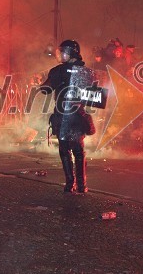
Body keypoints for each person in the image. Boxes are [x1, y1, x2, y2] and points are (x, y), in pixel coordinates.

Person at [40, 40, 95, 193]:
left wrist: (41, 83)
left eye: (63, 51)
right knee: (77, 150)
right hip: (77, 115)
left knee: (66, 150)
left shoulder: (57, 71)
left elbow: (45, 90)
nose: (60, 54)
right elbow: (94, 95)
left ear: (72, 52)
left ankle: (71, 184)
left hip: (64, 115)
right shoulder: (86, 72)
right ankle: (80, 185)